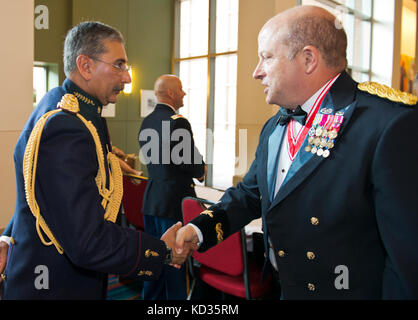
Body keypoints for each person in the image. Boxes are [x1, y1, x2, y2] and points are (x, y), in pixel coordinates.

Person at [174, 5, 418, 299]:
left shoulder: (387, 124)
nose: (257, 72)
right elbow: (251, 195)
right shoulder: (275, 126)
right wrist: (198, 230)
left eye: (266, 57)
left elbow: (407, 262)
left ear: (308, 59)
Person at [0, 21, 191, 299]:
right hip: (55, 285)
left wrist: (10, 233)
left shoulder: (58, 102)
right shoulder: (68, 126)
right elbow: (87, 242)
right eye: (119, 65)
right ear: (86, 66)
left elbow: (38, 189)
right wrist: (161, 251)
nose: (127, 77)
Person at [138, 74, 206, 299]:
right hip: (174, 204)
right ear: (170, 93)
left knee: (153, 261)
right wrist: (201, 170)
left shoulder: (147, 121)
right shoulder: (178, 121)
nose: (184, 93)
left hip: (151, 201)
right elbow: (189, 161)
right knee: (175, 265)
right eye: (181, 89)